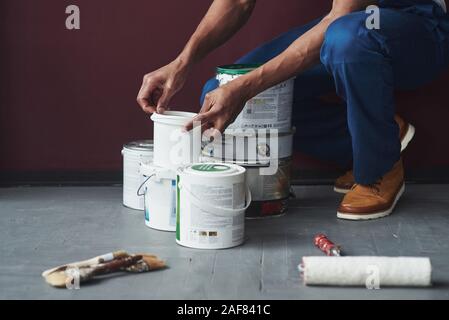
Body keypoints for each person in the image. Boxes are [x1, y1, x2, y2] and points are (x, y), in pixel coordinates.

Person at [137, 0, 449, 220]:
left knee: (347, 40)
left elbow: (343, 15)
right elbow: (237, 2)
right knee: (216, 94)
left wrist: (244, 89)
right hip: (347, 24)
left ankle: (377, 169)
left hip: (417, 26)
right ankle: (381, 134)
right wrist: (182, 64)